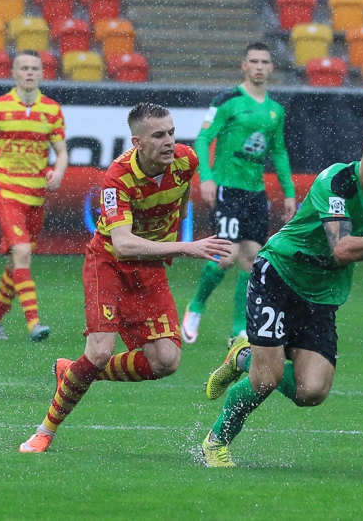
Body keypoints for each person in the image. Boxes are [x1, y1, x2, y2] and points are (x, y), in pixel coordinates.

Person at [198, 114, 363, 467]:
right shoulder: (337, 182)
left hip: (322, 294)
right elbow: (342, 249)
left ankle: (243, 356)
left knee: (311, 392)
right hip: (279, 276)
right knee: (266, 379)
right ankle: (216, 441)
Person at [19, 103, 234, 453]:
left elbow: (180, 202)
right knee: (100, 351)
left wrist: (172, 234)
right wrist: (186, 247)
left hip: (149, 266)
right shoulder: (118, 178)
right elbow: (122, 243)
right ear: (137, 142)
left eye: (171, 132)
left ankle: (74, 372)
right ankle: (45, 431)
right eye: (159, 135)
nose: (169, 141)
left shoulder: (187, 160)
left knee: (166, 360)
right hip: (109, 263)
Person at [182, 42, 298, 346]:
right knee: (226, 256)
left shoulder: (275, 110)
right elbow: (203, 138)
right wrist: (206, 178)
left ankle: (238, 329)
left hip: (255, 193)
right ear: (243, 66)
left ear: (271, 67)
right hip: (227, 188)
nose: (259, 67)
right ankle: (196, 305)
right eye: (253, 61)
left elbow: (279, 151)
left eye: (264, 62)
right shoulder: (227, 101)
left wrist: (289, 192)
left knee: (251, 259)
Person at [0, 50, 69, 342]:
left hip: (36, 195)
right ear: (14, 73)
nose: (29, 72)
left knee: (16, 261)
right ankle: (34, 323)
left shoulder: (51, 110)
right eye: (23, 68)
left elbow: (61, 152)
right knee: (22, 253)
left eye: (34, 68)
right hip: (6, 190)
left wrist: (59, 172)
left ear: (42, 73)